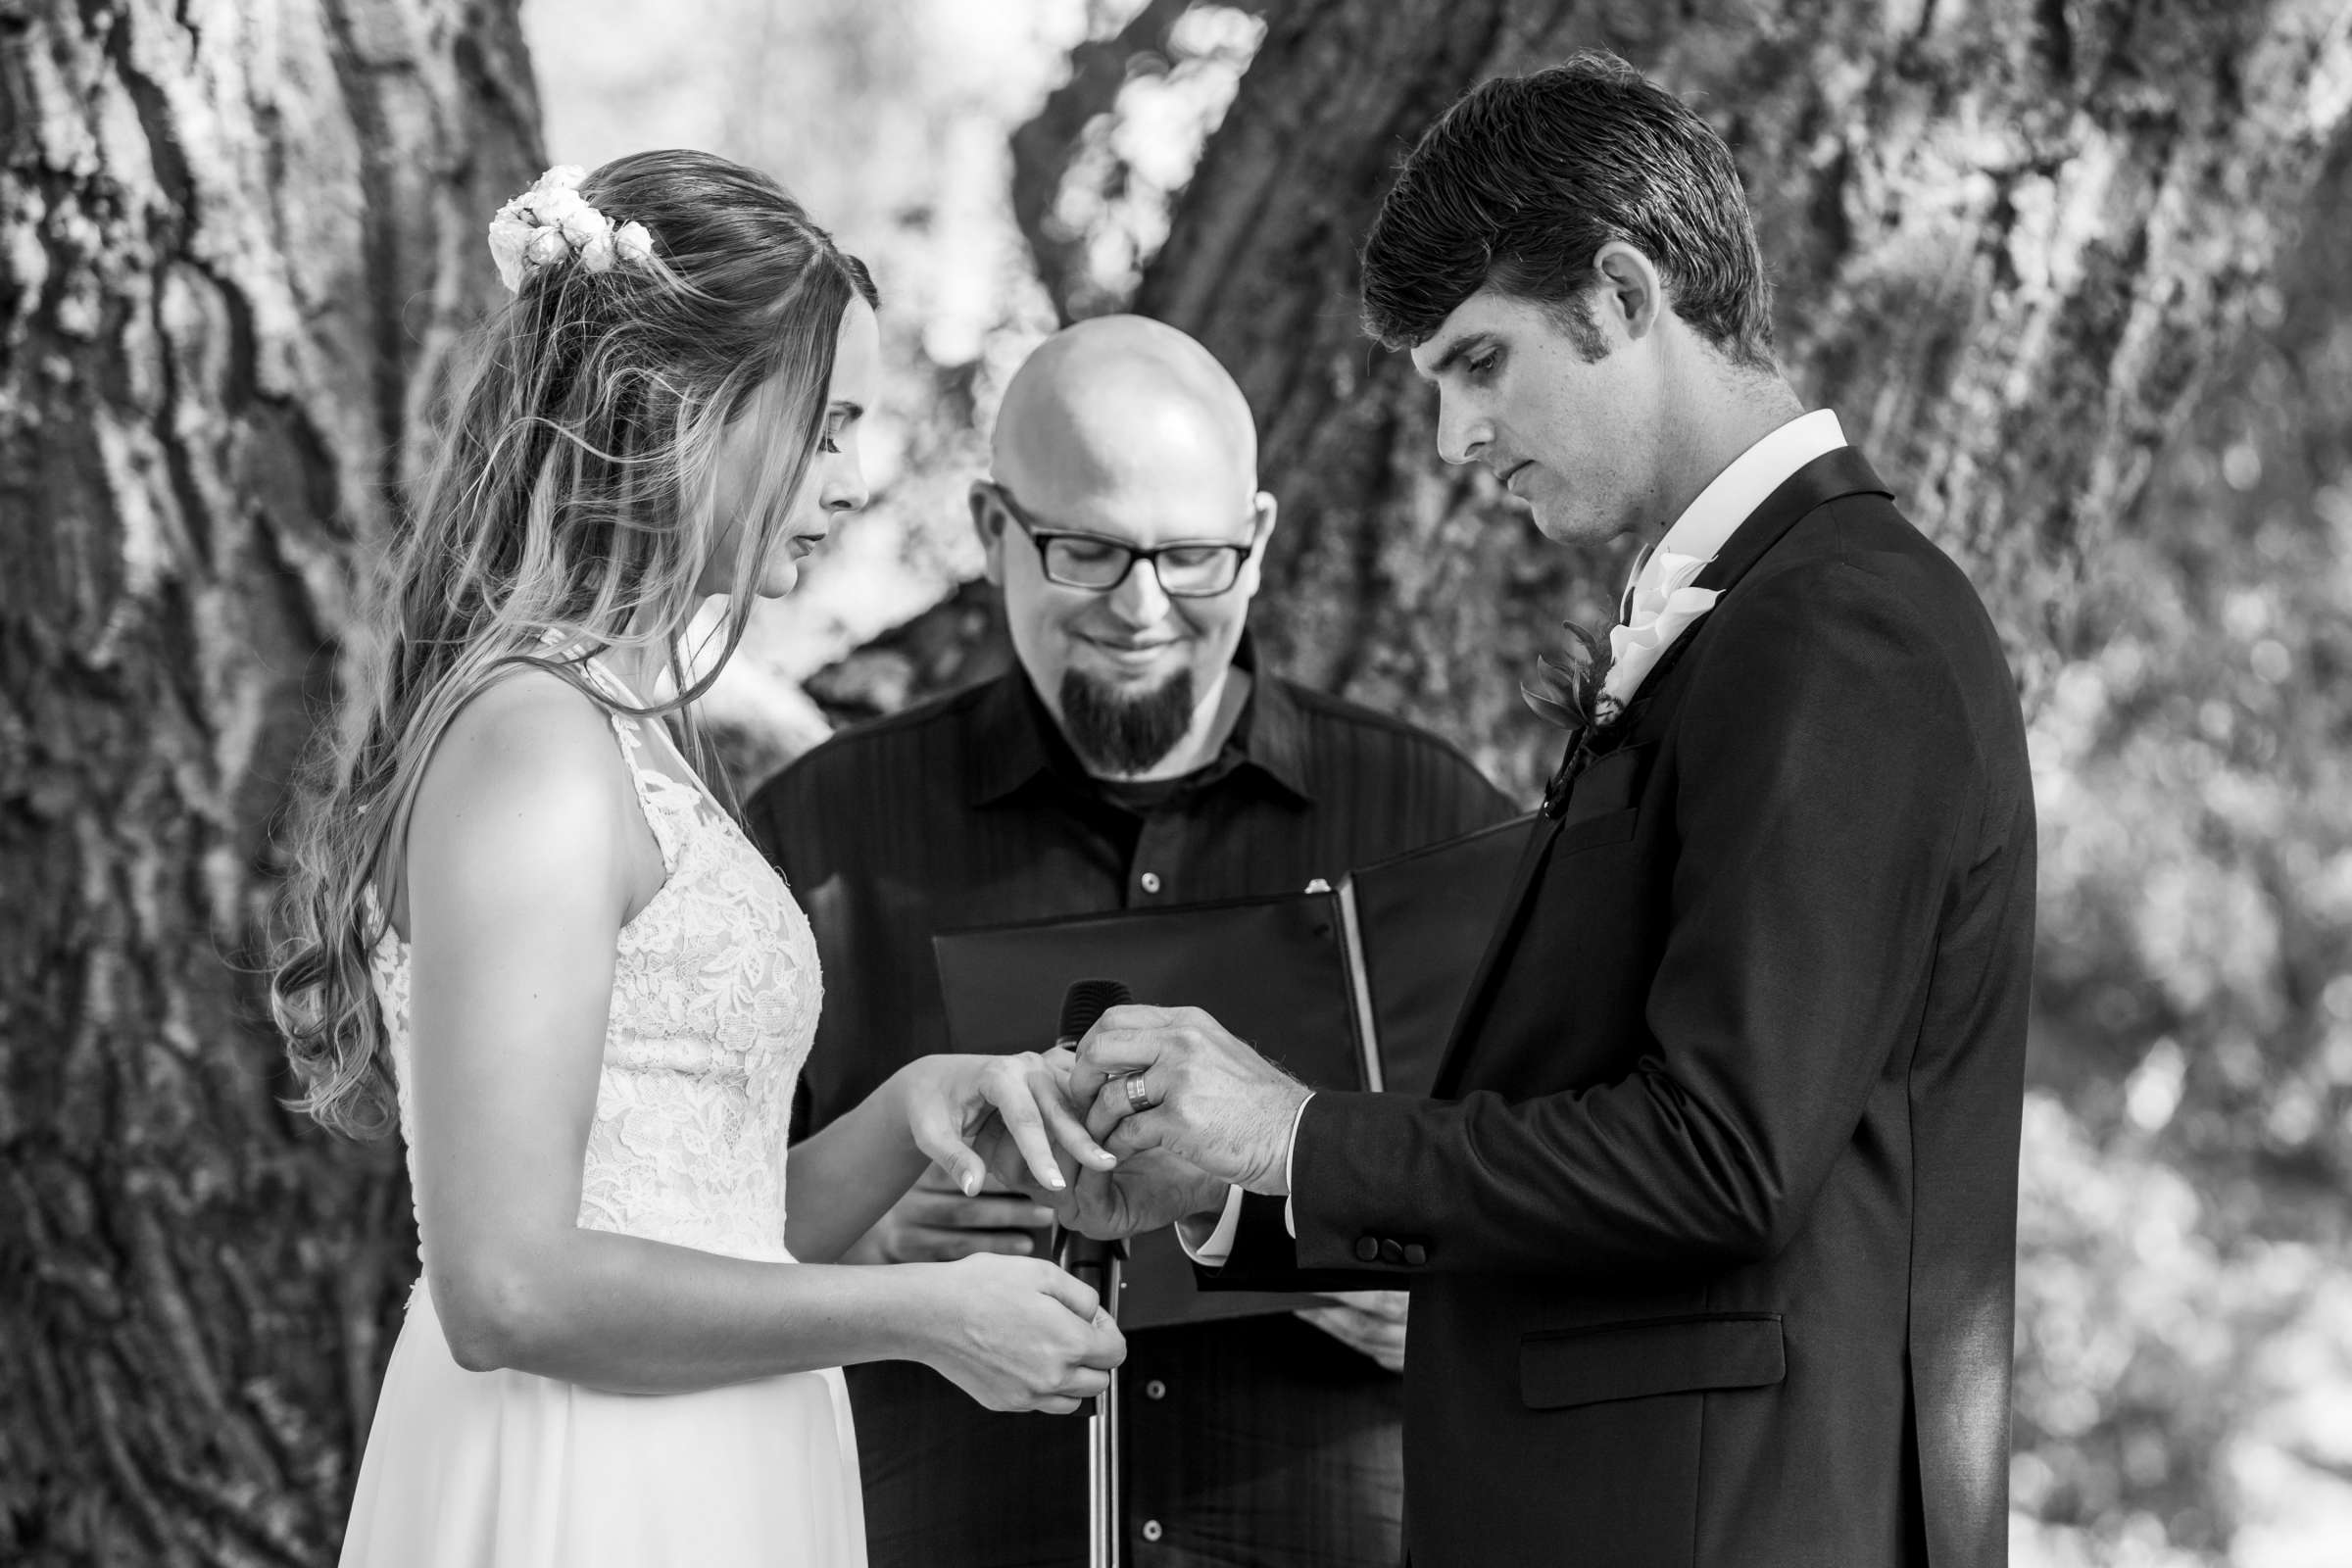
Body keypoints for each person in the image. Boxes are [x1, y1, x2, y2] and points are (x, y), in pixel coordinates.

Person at [1047, 53, 2034, 1568]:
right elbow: (1600, 1124)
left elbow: (1721, 1160)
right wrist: (1243, 1173)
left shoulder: (1838, 628)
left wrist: (1296, 1125)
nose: (1453, 442)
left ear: (1626, 295)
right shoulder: (1748, 618)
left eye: (1479, 362)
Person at [268, 151, 1124, 1568]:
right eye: (831, 423)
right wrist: (921, 1314)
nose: (853, 479)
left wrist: (907, 1109)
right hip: (588, 1481)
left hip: (710, 1451)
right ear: (682, 409)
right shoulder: (533, 742)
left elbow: (697, 1232)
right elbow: (509, 1288)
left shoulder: (624, 726)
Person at [747, 314, 1514, 1568]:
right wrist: (870, 1245)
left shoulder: (1436, 821)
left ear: (1257, 545)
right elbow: (674, 1232)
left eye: (1192, 556)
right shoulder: (818, 829)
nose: (1142, 607)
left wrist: (1458, 1303)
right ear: (994, 531)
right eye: (1087, 551)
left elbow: (1577, 1199)